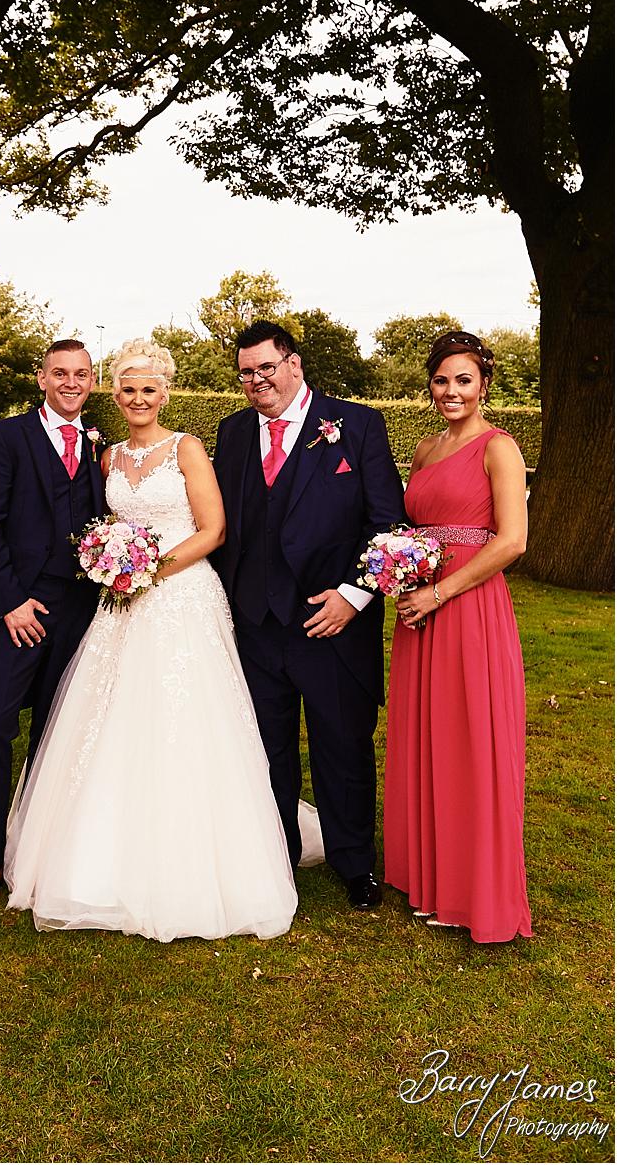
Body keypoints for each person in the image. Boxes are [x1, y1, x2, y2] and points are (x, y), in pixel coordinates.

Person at [4, 339, 322, 942]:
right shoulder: (108, 458)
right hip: (122, 602)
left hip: (180, 598)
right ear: (115, 394)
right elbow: (107, 528)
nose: (138, 399)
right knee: (114, 717)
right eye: (127, 389)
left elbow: (213, 529)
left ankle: (196, 862)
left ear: (165, 393)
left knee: (188, 720)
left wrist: (148, 570)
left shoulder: (187, 450)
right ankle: (99, 856)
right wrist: (116, 567)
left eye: (149, 389)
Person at [212, 320, 406, 911]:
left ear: (293, 364)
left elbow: (389, 523)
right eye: (245, 372)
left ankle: (353, 864)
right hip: (256, 623)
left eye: (265, 367)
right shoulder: (234, 432)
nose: (255, 381)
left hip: (333, 621)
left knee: (341, 745)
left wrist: (355, 594)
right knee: (266, 749)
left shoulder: (358, 425)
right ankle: (277, 857)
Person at [384, 331, 532, 942]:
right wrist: (402, 572)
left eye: (463, 380)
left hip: (467, 607)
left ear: (484, 385)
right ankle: (429, 875)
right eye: (442, 380)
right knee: (426, 737)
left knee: (471, 739)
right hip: (420, 609)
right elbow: (412, 523)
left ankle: (475, 887)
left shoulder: (500, 447)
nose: (451, 391)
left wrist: (440, 592)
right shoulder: (423, 449)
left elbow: (512, 541)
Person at [0, 339, 105, 911]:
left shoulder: (100, 445)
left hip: (78, 610)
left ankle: (41, 855)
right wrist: (12, 600)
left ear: (91, 381)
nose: (71, 383)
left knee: (56, 733)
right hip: (17, 608)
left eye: (82, 374)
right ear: (41, 378)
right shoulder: (5, 437)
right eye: (60, 373)